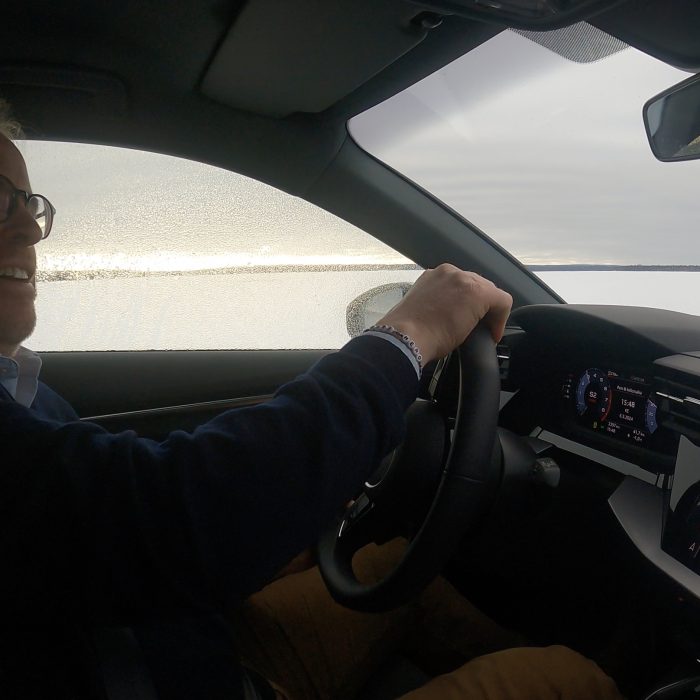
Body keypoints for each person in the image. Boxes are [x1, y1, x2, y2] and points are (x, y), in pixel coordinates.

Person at [0, 109, 623, 700]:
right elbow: (175, 519)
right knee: (566, 680)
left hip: (184, 651)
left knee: (401, 568)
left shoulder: (21, 394)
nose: (29, 228)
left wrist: (293, 501)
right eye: (1, 200)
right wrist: (409, 335)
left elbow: (107, 523)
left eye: (29, 203)